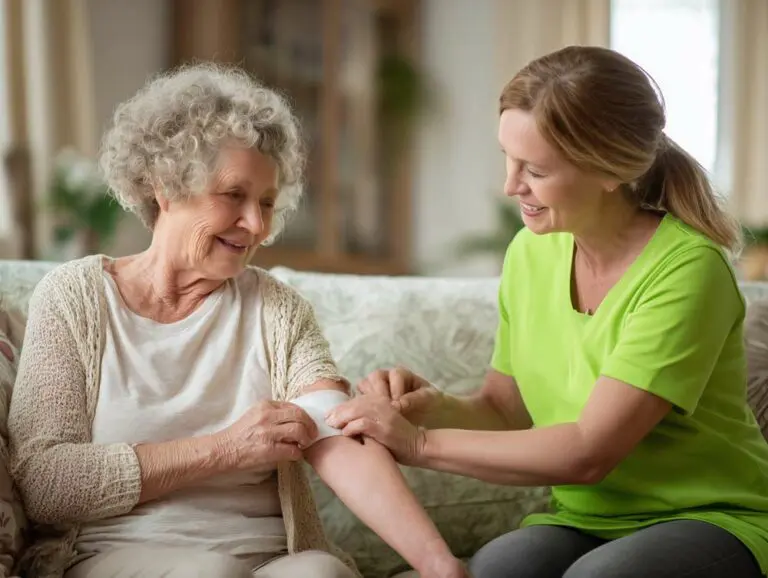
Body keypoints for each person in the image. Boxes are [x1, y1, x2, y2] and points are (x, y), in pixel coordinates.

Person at [7, 64, 468, 578]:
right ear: (164, 186)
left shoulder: (278, 310)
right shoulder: (75, 299)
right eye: (234, 196)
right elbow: (45, 482)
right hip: (115, 555)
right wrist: (223, 450)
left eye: (268, 203)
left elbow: (337, 438)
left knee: (321, 573)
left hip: (267, 558)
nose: (256, 225)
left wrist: (439, 565)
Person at [326, 46, 768, 578]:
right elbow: (504, 411)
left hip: (711, 517)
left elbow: (589, 453)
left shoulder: (686, 272)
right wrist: (429, 407)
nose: (511, 186)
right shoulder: (531, 252)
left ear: (610, 170)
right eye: (508, 160)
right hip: (586, 519)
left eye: (535, 169)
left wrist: (419, 444)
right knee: (497, 571)